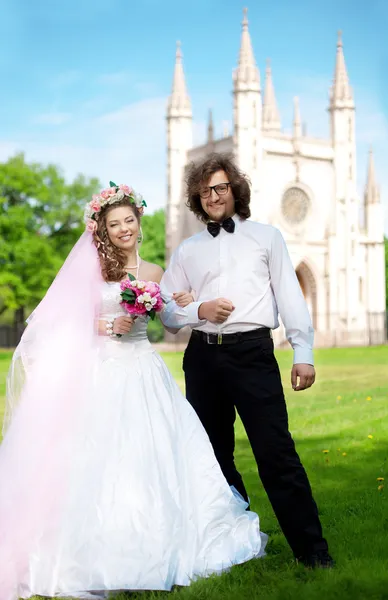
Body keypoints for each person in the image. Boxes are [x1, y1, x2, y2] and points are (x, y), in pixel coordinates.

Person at [0, 183, 267, 600]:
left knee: (155, 455)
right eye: (114, 223)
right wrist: (107, 326)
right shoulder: (93, 272)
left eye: (129, 220)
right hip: (101, 372)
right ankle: (95, 552)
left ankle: (159, 544)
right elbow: (59, 323)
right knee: (98, 459)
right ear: (102, 230)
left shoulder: (155, 272)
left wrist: (192, 304)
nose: (124, 228)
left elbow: (171, 318)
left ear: (139, 222)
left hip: (144, 371)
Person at [160, 153, 334, 568]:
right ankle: (236, 541)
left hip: (253, 355)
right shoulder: (187, 250)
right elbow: (166, 311)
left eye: (220, 188)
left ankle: (313, 554)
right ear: (196, 199)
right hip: (201, 358)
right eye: (204, 192)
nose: (213, 196)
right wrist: (199, 310)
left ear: (234, 189)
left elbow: (290, 297)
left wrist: (303, 352)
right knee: (214, 457)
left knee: (276, 454)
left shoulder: (268, 237)